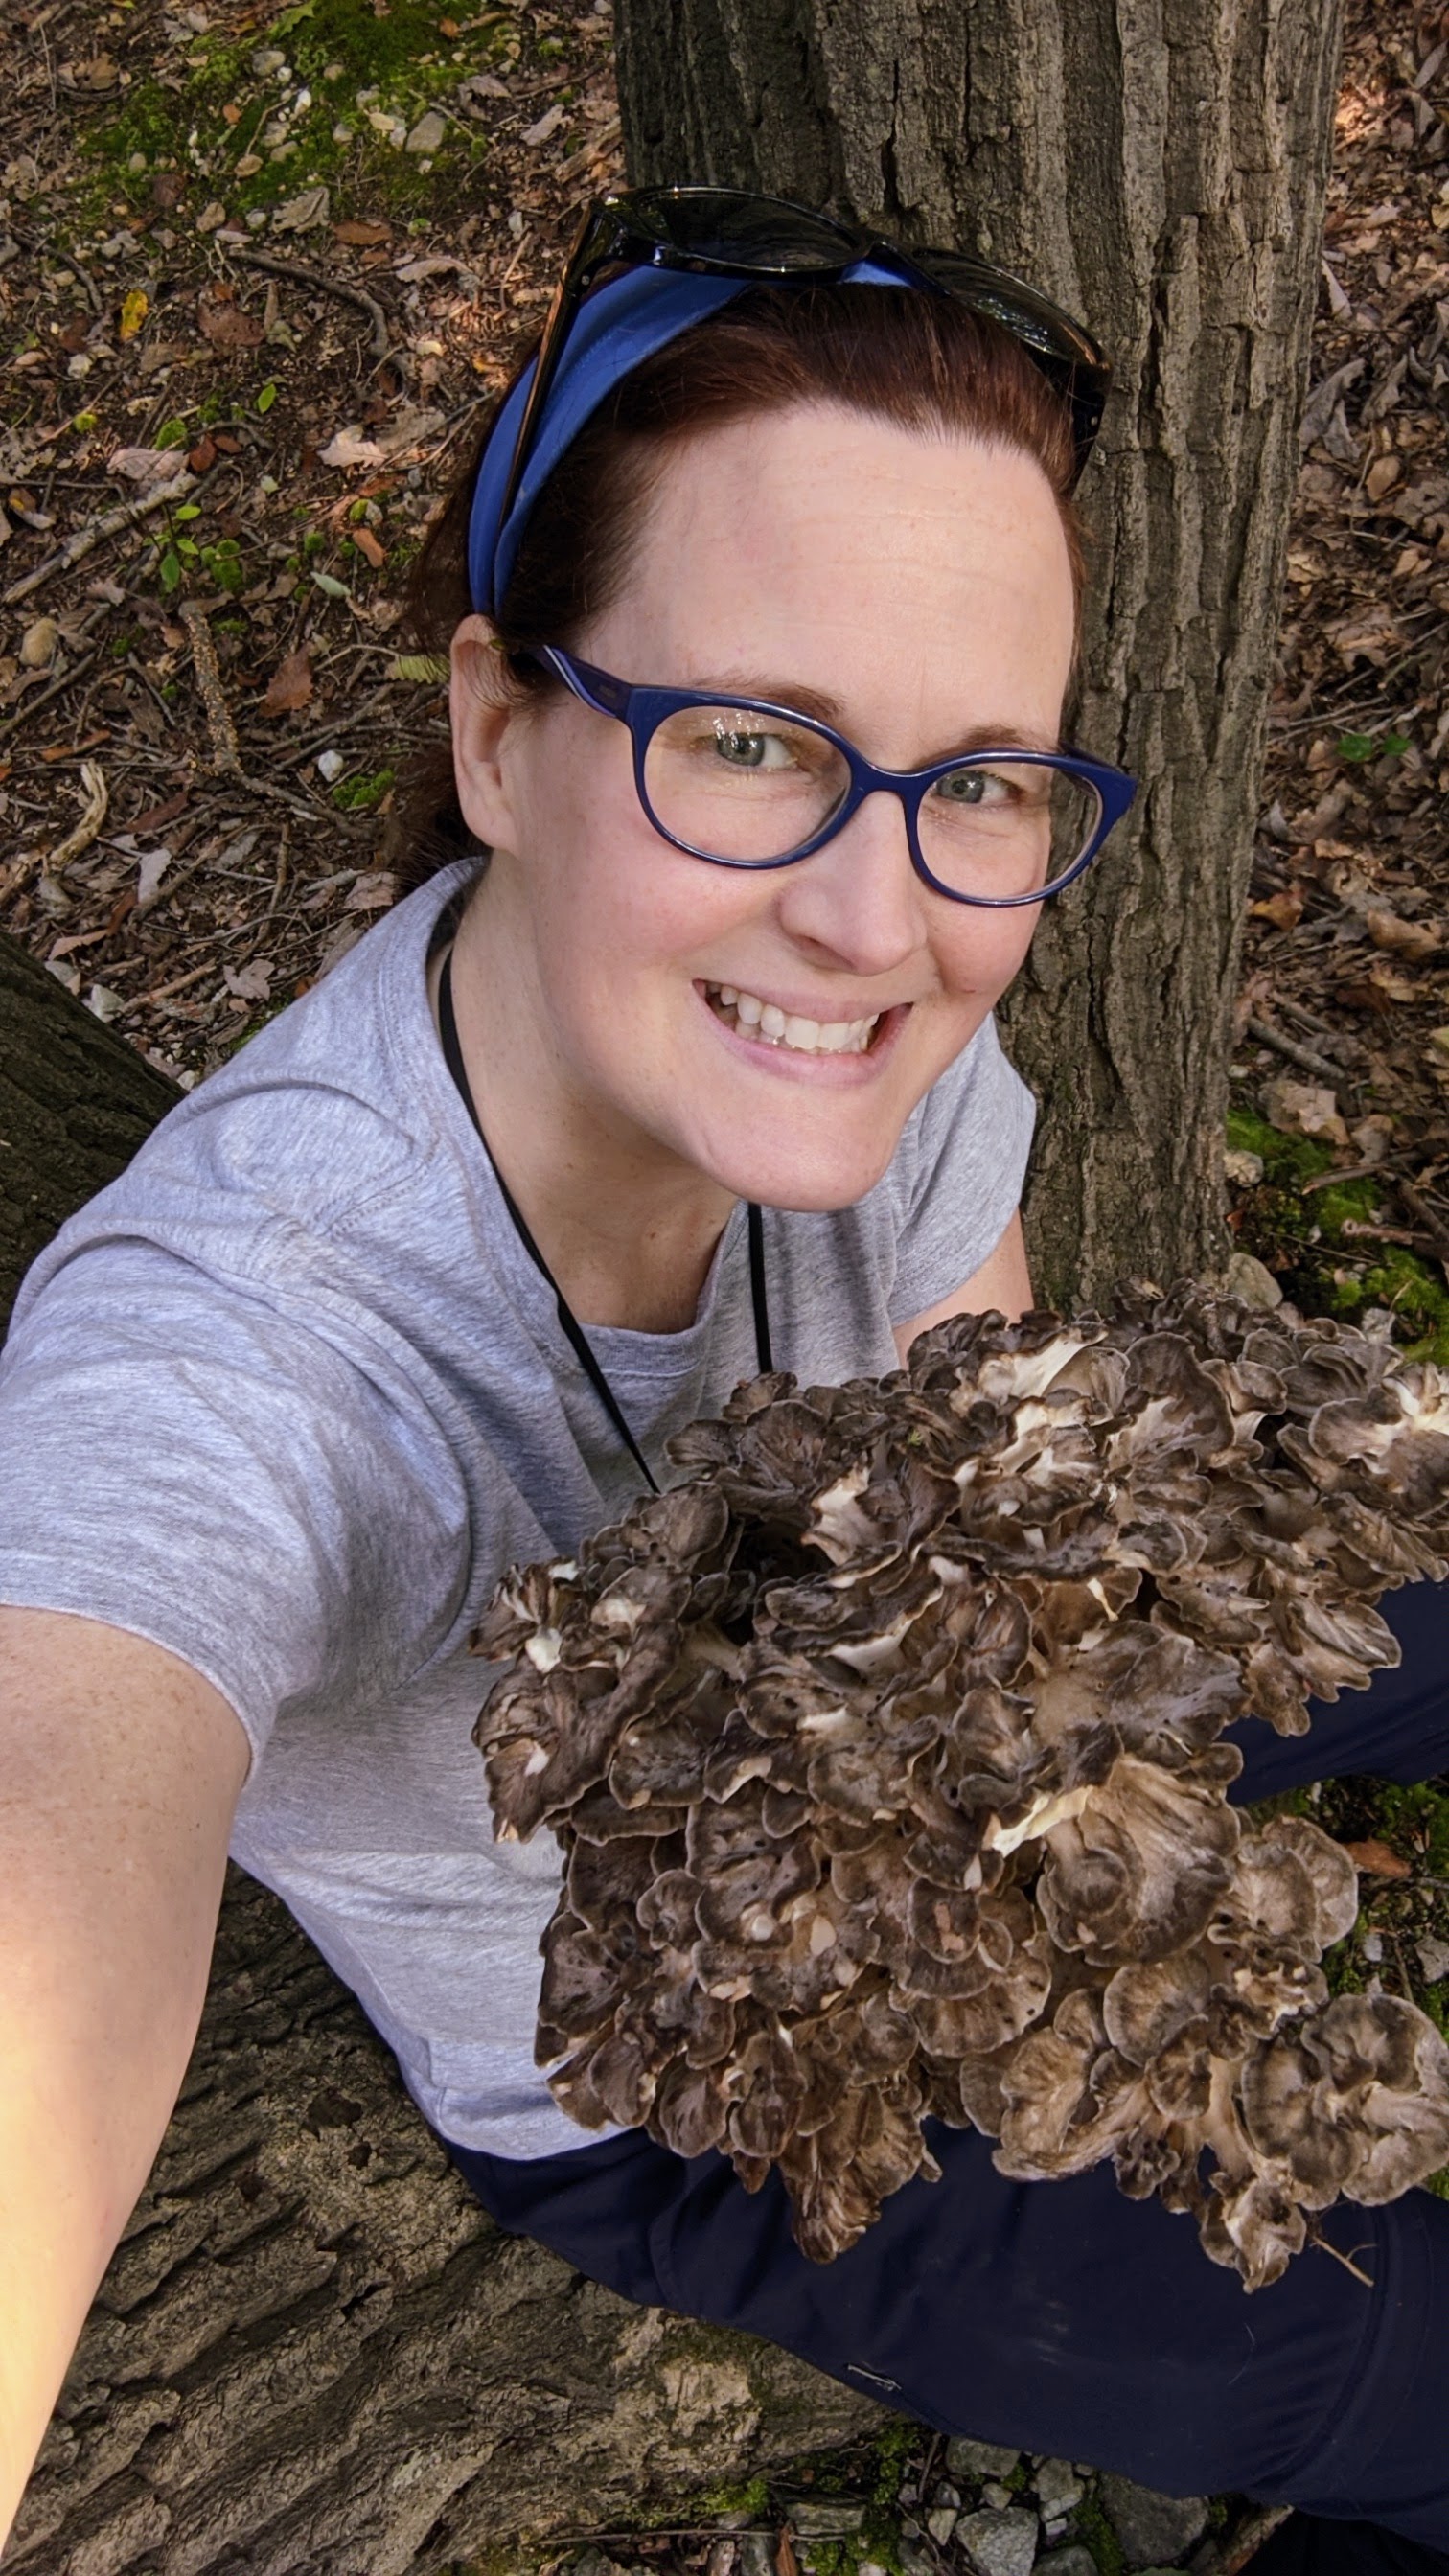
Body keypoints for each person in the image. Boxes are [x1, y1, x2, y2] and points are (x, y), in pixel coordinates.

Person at [0, 188, 1445, 2572]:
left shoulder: (885, 1031)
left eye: (982, 779)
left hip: (954, 1730)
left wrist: (1085, 1824)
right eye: (754, 741)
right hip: (709, 2083)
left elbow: (997, 1493)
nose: (881, 920)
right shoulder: (246, 1346)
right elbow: (61, 1799)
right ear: (497, 730)